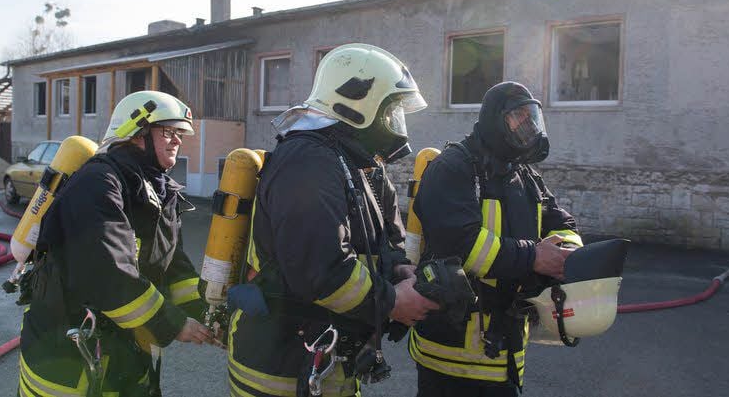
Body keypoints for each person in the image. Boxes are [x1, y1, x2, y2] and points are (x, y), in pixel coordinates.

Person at [227, 43, 439, 397]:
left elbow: (385, 242)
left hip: (328, 367)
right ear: (358, 103)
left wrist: (400, 271)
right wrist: (392, 301)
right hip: (281, 374)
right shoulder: (308, 160)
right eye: (391, 111)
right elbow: (321, 270)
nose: (395, 124)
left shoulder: (357, 165)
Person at [18, 91, 219, 397]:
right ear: (135, 131)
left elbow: (171, 262)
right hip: (68, 365)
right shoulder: (98, 183)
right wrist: (173, 324)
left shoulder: (157, 189)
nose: (177, 140)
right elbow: (107, 272)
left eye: (180, 133)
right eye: (167, 131)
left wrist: (202, 311)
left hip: (125, 355)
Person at [409, 81, 583, 397]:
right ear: (494, 119)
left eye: (532, 118)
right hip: (452, 355)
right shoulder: (454, 168)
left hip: (505, 350)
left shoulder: (524, 175)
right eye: (519, 117)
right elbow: (461, 245)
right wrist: (534, 257)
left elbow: (560, 221)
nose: (529, 126)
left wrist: (569, 250)